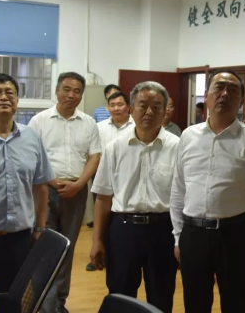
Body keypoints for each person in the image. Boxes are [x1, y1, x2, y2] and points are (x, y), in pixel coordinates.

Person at [170, 70, 245, 313]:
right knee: (195, 304)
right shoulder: (188, 136)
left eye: (232, 89)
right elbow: (178, 190)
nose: (224, 94)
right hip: (193, 234)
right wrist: (178, 236)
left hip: (235, 235)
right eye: (219, 87)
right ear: (206, 95)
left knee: (236, 304)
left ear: (242, 101)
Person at [91, 82, 179, 313]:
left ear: (165, 110)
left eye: (156, 106)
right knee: (120, 295)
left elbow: (184, 199)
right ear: (132, 108)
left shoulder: (178, 147)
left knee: (161, 296)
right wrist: (97, 240)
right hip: (123, 231)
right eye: (143, 106)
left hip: (163, 230)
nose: (149, 112)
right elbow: (103, 198)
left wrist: (181, 240)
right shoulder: (114, 148)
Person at [0, 73, 54, 313]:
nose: (4, 97)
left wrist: (39, 228)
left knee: (11, 302)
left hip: (18, 239)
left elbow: (40, 184)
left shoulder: (31, 137)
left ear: (17, 101)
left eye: (10, 92)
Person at [29, 72, 101, 313]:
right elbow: (32, 156)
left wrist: (79, 184)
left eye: (77, 91)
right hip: (45, 190)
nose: (72, 95)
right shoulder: (39, 121)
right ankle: (43, 305)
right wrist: (53, 181)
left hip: (76, 192)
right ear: (57, 91)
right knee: (44, 248)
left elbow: (94, 156)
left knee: (67, 249)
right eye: (67, 89)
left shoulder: (88, 123)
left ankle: (59, 303)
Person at [85, 91, 134, 271]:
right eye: (112, 105)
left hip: (127, 181)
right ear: (107, 108)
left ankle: (122, 255)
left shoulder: (136, 127)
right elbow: (93, 153)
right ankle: (98, 255)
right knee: (102, 218)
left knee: (121, 220)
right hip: (103, 178)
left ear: (128, 107)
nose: (116, 108)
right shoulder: (99, 127)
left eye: (120, 104)